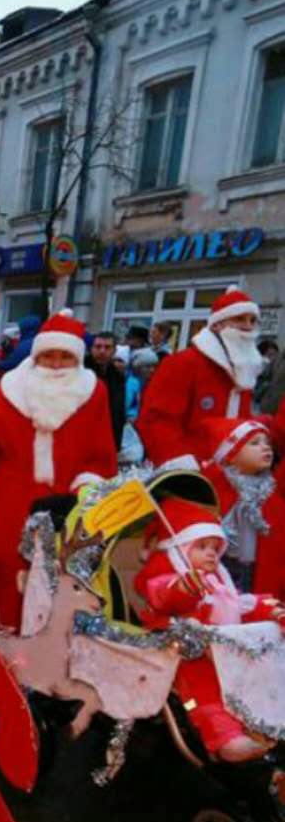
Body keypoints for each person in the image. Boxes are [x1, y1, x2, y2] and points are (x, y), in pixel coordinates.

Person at [0, 312, 117, 629]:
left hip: (68, 512)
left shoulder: (93, 392)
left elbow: (100, 455)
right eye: (49, 355)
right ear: (36, 354)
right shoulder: (9, 392)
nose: (56, 363)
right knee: (2, 583)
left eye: (65, 356)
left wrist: (81, 493)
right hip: (8, 508)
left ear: (77, 358)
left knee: (65, 589)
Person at [134, 498, 280, 762]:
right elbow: (162, 596)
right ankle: (225, 739)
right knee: (204, 696)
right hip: (192, 657)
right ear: (178, 550)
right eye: (201, 547)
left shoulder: (218, 584)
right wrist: (183, 587)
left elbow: (243, 605)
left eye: (215, 548)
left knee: (263, 674)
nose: (212, 553)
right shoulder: (169, 578)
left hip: (230, 651)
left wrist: (270, 610)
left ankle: (263, 724)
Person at [138, 288, 265, 465]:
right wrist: (183, 466)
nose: (248, 326)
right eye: (239, 319)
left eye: (252, 320)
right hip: (188, 475)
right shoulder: (183, 363)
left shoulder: (244, 371)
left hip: (229, 473)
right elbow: (157, 422)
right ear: (216, 325)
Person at [193, 418, 285, 594]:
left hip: (256, 570)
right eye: (254, 443)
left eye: (268, 443)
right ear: (230, 455)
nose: (266, 448)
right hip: (221, 564)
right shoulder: (214, 489)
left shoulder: (270, 495)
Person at [85, 330, 126, 452]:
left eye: (107, 347)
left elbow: (118, 410)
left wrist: (116, 445)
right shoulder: (82, 372)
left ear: (114, 351)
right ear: (91, 349)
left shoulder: (117, 375)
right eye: (98, 347)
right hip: (86, 438)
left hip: (109, 438)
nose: (102, 351)